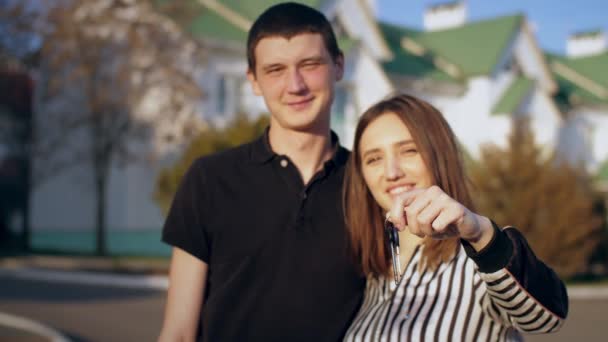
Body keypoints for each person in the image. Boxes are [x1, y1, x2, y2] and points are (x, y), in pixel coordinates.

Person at [158, 2, 365, 341]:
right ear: (253, 81)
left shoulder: (370, 184)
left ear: (338, 66)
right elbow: (179, 332)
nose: (295, 85)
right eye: (275, 70)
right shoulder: (210, 180)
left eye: (310, 65)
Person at [342, 94, 568, 341]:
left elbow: (547, 317)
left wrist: (481, 234)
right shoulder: (370, 272)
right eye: (374, 159)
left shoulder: (479, 265)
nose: (391, 172)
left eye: (409, 151)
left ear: (440, 156)